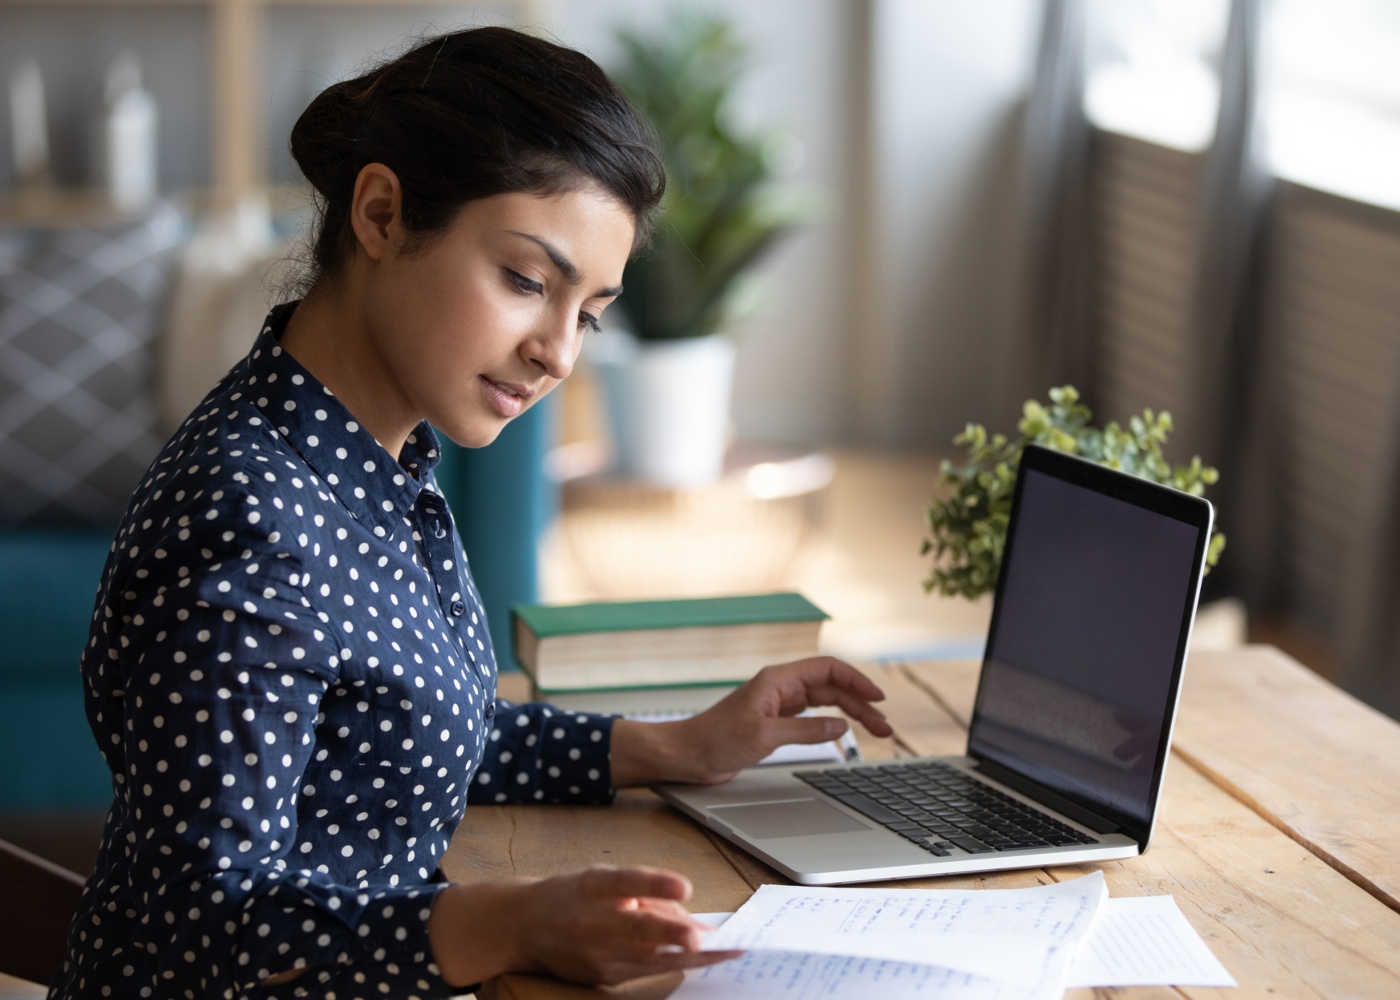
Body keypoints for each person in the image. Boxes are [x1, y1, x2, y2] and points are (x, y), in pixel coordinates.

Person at [51, 27, 891, 999]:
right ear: (378, 212)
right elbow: (196, 929)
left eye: (588, 311)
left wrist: (677, 744)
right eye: (528, 282)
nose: (558, 353)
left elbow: (402, 735)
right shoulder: (249, 516)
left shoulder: (379, 462)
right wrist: (504, 919)